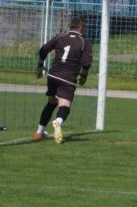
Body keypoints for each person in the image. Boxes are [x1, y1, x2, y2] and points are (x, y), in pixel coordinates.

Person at [33, 16, 94, 144]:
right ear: (81, 28)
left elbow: (43, 50)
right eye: (85, 28)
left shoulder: (59, 37)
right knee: (65, 106)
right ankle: (58, 121)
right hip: (68, 79)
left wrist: (40, 65)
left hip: (53, 76)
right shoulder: (84, 43)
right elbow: (86, 63)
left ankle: (39, 132)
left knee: (51, 103)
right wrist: (84, 76)